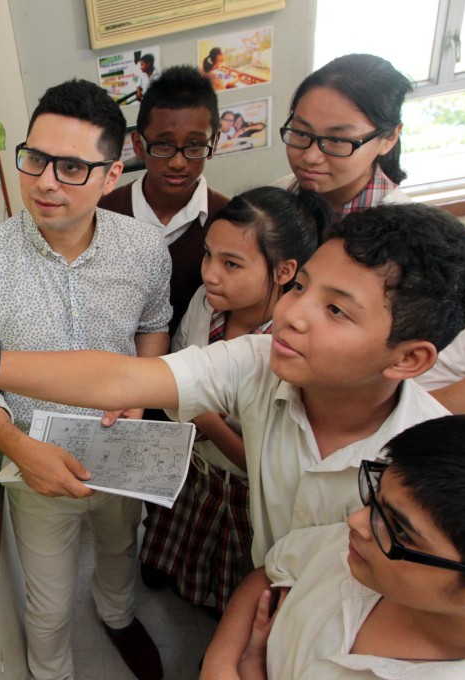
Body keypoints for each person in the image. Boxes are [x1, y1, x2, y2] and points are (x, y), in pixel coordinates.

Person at [0, 202, 465, 570]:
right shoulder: (261, 358)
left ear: (410, 359)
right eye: (299, 288)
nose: (292, 313)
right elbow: (124, 374)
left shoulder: (430, 466)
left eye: (337, 310)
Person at [0, 79, 172, 680]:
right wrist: (21, 449)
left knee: (121, 547)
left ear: (111, 174)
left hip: (121, 445)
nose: (45, 180)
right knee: (46, 606)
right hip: (32, 461)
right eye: (36, 158)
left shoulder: (145, 249)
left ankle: (117, 614)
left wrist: (142, 404)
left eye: (72, 167)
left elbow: (154, 325)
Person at [141, 187, 333, 615]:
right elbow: (176, 362)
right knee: (178, 545)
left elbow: (261, 462)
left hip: (246, 494)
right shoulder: (206, 303)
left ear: (284, 271)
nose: (210, 274)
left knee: (231, 583)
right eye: (209, 255)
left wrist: (203, 418)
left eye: (231, 264)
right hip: (193, 469)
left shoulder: (290, 349)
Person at [207, 415, 465, 679]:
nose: (356, 521)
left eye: (400, 530)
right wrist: (221, 662)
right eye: (376, 495)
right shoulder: (357, 551)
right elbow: (272, 571)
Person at [99, 65, 229, 337]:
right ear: (138, 145)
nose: (178, 162)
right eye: (163, 145)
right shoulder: (103, 214)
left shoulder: (229, 220)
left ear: (213, 143)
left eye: (194, 146)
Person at [276, 54, 414, 217]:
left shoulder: (403, 233)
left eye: (337, 140)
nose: (311, 157)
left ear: (389, 138)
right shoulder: (278, 194)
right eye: (301, 132)